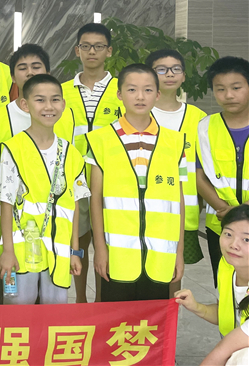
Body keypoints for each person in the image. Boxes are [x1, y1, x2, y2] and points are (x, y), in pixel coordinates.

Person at [0, 44, 75, 303]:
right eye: (23, 68)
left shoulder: (66, 118)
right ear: (12, 76)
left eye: (37, 67)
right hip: (6, 228)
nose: (30, 72)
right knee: (8, 298)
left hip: (52, 231)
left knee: (49, 303)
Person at [89, 63, 186, 302]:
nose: (140, 96)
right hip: (117, 255)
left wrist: (178, 252)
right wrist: (100, 249)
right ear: (120, 94)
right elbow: (95, 200)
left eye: (148, 90)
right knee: (116, 320)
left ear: (158, 94)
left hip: (160, 256)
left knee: (152, 320)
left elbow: (178, 201)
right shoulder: (100, 140)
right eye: (132, 90)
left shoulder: (175, 142)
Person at [0, 74, 88, 305]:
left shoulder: (71, 153)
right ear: (25, 104)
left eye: (55, 100)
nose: (49, 106)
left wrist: (74, 251)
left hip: (58, 248)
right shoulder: (13, 148)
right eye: (40, 100)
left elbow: (74, 205)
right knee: (18, 311)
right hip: (20, 248)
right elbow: (6, 202)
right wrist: (8, 251)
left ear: (63, 104)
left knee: (55, 313)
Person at [61, 22, 124, 302]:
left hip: (110, 179)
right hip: (72, 178)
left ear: (108, 51)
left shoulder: (122, 90)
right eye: (85, 46)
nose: (92, 52)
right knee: (77, 241)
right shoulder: (62, 91)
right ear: (77, 50)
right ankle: (79, 300)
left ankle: (100, 301)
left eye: (98, 46)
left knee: (104, 243)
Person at [145, 49, 207, 294]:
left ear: (183, 76)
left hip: (183, 214)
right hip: (143, 211)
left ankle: (169, 317)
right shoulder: (138, 113)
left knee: (174, 273)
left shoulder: (199, 118)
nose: (169, 74)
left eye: (175, 69)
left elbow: (203, 169)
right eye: (161, 69)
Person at [196, 57, 249, 286]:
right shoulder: (206, 127)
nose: (228, 95)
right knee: (226, 285)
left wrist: (242, 213)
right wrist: (225, 211)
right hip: (220, 224)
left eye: (236, 88)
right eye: (220, 89)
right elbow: (199, 176)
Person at [175, 205, 249, 337]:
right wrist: (196, 306)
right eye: (228, 234)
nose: (233, 245)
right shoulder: (227, 267)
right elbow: (225, 313)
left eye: (246, 239)